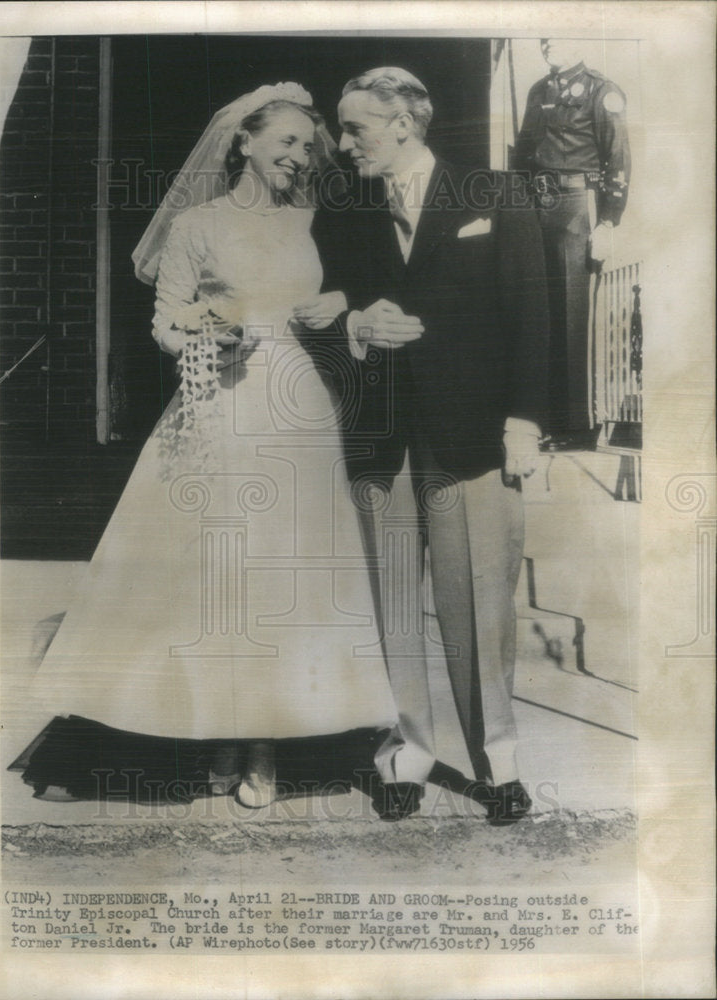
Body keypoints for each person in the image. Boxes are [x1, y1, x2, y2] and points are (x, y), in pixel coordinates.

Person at [10, 83, 396, 809]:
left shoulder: (319, 221)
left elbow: (351, 294)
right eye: (284, 141)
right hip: (216, 404)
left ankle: (265, 744)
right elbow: (165, 320)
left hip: (299, 408)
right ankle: (211, 736)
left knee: (286, 574)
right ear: (242, 142)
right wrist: (205, 330)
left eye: (306, 146)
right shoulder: (197, 224)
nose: (297, 155)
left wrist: (343, 303)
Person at [298, 67, 550, 823]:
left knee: (479, 603)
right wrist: (354, 327)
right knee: (394, 609)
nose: (341, 145)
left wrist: (524, 423)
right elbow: (322, 315)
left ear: (404, 123)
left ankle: (497, 761)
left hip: (474, 436)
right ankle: (405, 753)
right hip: (382, 435)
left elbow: (534, 318)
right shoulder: (341, 211)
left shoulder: (494, 196)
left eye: (355, 129)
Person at [514, 38, 631, 449]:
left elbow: (617, 157)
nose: (547, 44)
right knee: (540, 312)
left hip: (577, 205)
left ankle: (576, 427)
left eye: (557, 36)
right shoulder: (538, 90)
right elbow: (523, 154)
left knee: (572, 316)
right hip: (535, 203)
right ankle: (542, 418)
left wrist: (608, 222)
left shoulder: (601, 90)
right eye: (543, 37)